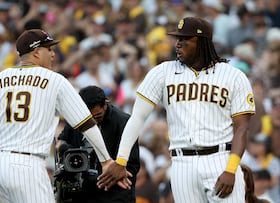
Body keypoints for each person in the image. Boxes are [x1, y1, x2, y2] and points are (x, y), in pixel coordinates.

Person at [0, 29, 123, 203]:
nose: (53, 54)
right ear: (36, 53)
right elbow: (86, 124)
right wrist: (106, 161)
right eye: (49, 49)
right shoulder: (54, 80)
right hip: (27, 167)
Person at [97, 16, 256, 203]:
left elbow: (242, 128)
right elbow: (137, 118)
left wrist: (230, 169)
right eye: (177, 39)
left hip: (220, 158)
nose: (178, 44)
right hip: (182, 163)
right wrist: (121, 160)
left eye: (184, 39)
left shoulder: (233, 76)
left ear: (201, 42)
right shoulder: (163, 72)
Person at [56, 85, 140, 202]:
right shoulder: (76, 118)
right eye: (88, 119)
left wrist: (112, 174)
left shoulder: (123, 122)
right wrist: (64, 149)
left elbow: (132, 165)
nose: (93, 122)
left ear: (105, 105)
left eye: (97, 116)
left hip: (113, 191)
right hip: (82, 191)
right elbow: (61, 141)